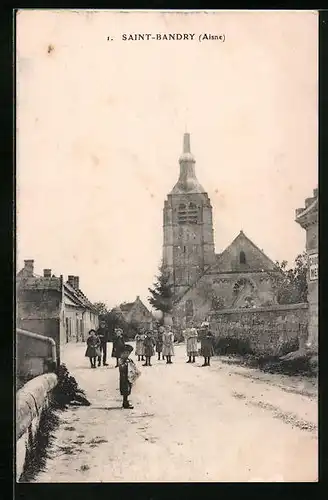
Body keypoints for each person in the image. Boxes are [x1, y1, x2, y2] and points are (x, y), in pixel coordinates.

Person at [118, 344, 140, 409]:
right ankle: (125, 403)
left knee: (128, 389)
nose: (126, 354)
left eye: (128, 353)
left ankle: (126, 401)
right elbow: (121, 368)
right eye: (124, 353)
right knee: (125, 390)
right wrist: (126, 364)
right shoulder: (121, 360)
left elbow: (133, 366)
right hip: (124, 377)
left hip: (129, 377)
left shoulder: (129, 360)